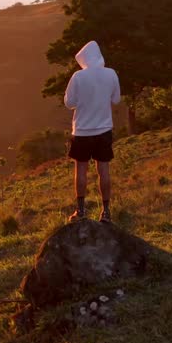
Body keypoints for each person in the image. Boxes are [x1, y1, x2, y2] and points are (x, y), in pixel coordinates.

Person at [64, 40, 121, 222]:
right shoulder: (111, 74)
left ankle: (80, 212)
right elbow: (116, 99)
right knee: (103, 170)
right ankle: (106, 212)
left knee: (81, 170)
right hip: (104, 130)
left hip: (82, 131)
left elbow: (69, 103)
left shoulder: (78, 77)